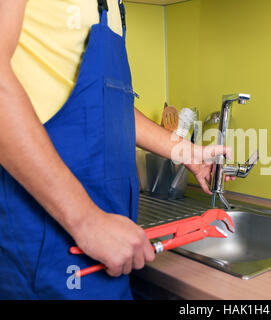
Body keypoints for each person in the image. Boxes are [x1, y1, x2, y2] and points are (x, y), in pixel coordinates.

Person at [0, 0, 231, 299]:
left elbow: (109, 107)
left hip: (107, 237)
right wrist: (86, 220)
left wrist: (187, 153)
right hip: (43, 240)